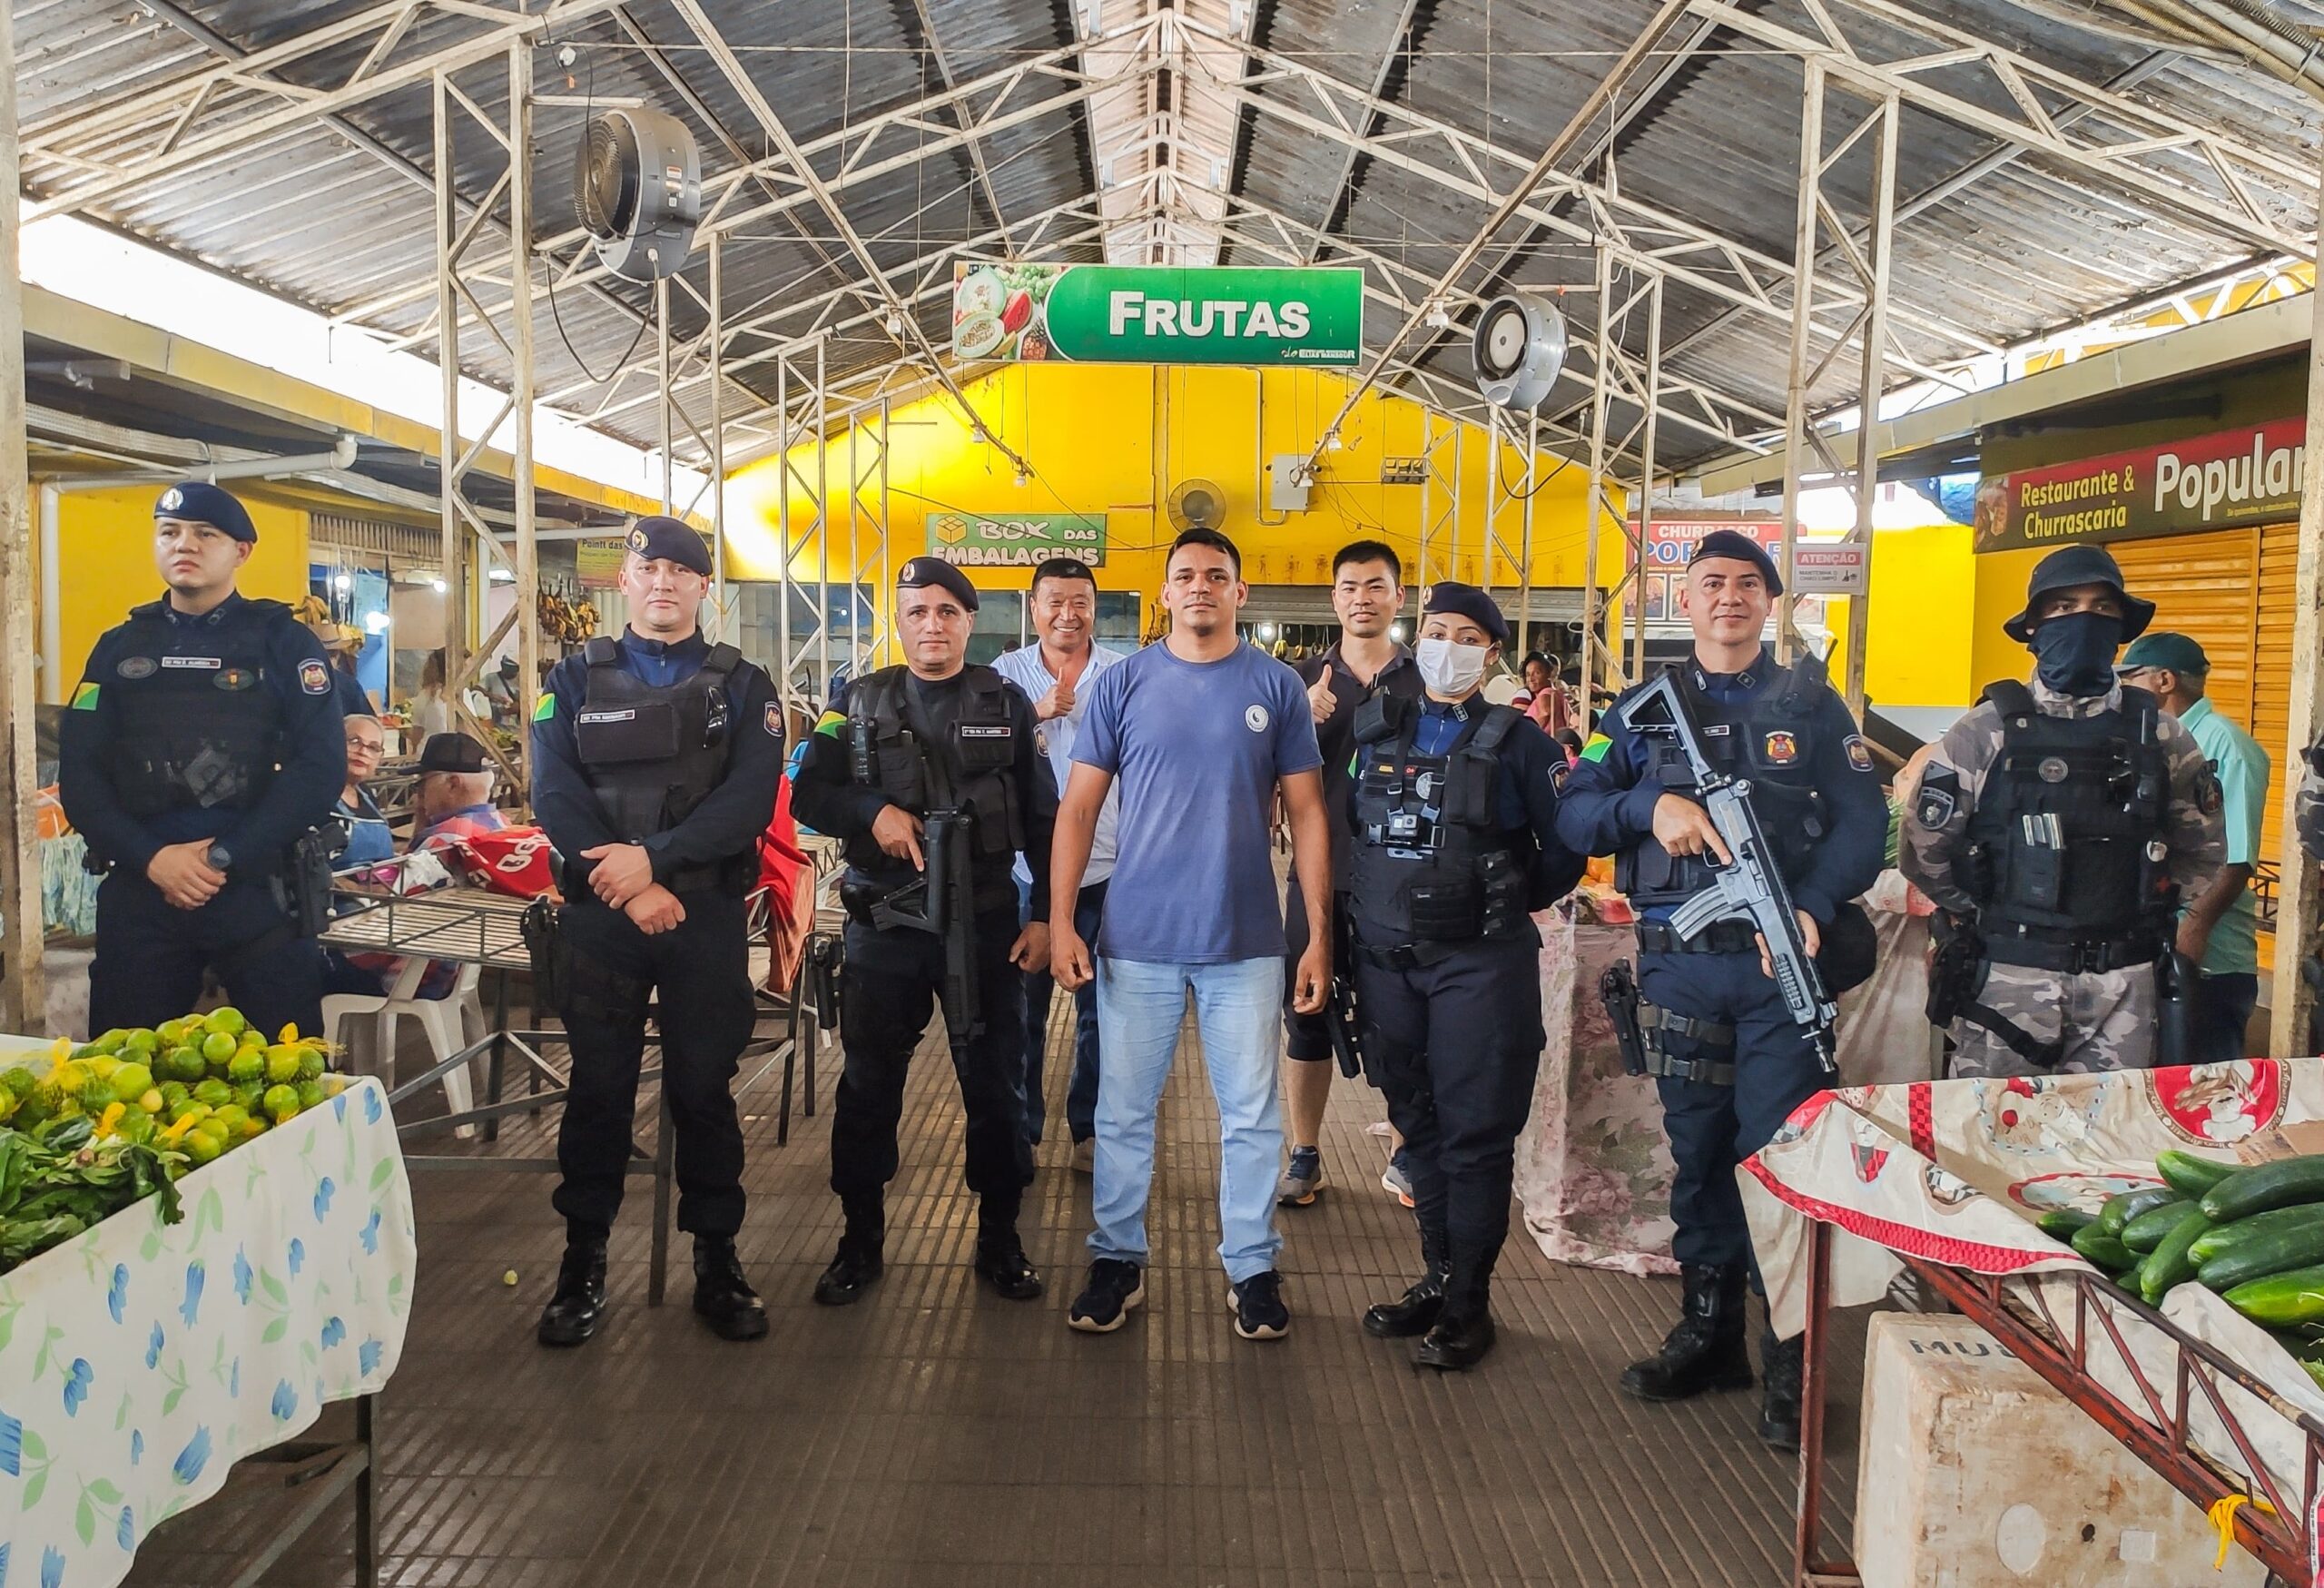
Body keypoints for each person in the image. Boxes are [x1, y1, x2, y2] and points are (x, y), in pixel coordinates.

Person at [1556, 529, 1886, 1452]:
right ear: (1686, 602)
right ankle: (1709, 1335)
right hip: (1680, 966)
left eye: (1747, 583)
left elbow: (1865, 820)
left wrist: (1815, 901)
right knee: (1697, 1153)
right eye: (1711, 583)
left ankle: (1793, 1358)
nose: (1729, 597)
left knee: (1779, 1160)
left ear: (1769, 602)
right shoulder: (1637, 711)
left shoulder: (1813, 707)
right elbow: (1574, 807)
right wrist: (1645, 808)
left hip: (1782, 968)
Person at [1050, 527, 1332, 1342]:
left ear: (1240, 593)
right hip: (1136, 938)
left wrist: (1316, 934)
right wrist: (1063, 918)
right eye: (1185, 576)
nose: (1200, 586)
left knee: (1250, 1114)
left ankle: (1251, 1263)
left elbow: (1309, 814)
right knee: (1123, 1110)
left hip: (1245, 940)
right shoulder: (1124, 684)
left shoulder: (1275, 687)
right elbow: (1078, 809)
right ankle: (1116, 1257)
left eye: (1217, 575)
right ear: (1165, 593)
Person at [529, 516, 785, 1348]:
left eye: (683, 570)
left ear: (706, 587)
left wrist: (656, 862)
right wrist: (631, 885)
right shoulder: (570, 679)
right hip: (605, 917)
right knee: (598, 1089)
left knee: (702, 1089)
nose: (665, 582)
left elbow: (748, 802)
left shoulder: (745, 686)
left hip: (703, 916)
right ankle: (583, 1259)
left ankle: (717, 1256)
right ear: (626, 580)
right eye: (651, 567)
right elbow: (555, 796)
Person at [791, 557, 1058, 1308]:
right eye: (917, 612)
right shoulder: (857, 700)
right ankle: (859, 1238)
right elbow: (807, 789)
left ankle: (1001, 1238)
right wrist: (869, 811)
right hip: (887, 924)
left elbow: (1042, 817)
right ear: (899, 621)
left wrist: (1044, 916)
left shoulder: (1008, 704)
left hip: (986, 926)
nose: (932, 625)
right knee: (869, 1085)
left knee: (998, 1088)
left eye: (947, 611)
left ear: (971, 621)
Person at [1346, 583, 1587, 1369]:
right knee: (1418, 1121)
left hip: (1479, 967)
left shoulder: (1521, 743)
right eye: (1435, 630)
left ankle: (1469, 1303)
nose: (1446, 644)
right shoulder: (1377, 725)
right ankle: (1438, 1275)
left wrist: (1497, 903)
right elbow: (1354, 826)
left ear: (1491, 653)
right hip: (1388, 964)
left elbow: (1565, 850)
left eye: (1466, 635)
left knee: (1476, 1133)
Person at [1901, 546, 2223, 1079]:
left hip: (2124, 987)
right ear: (2034, 627)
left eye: (2102, 609)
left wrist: (2133, 906)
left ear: (2122, 626)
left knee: (2110, 1148)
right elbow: (1925, 851)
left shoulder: (2161, 734)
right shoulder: (1984, 732)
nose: (2083, 620)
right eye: (2063, 607)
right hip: (2009, 979)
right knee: (1993, 1141)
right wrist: (1995, 914)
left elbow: (2203, 850)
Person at [59, 481, 346, 1040]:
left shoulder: (285, 645)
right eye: (169, 533)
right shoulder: (117, 648)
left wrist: (221, 856)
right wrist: (152, 859)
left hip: (258, 893)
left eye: (204, 534)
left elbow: (319, 770)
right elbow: (80, 771)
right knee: (122, 1072)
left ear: (242, 551)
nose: (183, 544)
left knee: (287, 1075)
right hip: (144, 891)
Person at [1276, 539, 1421, 1209]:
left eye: (1376, 585)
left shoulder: (1428, 680)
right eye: (1349, 587)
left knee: (1402, 1019)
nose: (1362, 597)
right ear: (1333, 598)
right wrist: (1297, 722)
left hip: (1405, 881)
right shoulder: (1299, 681)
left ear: (1398, 595)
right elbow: (1257, 779)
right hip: (1318, 877)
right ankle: (1305, 1152)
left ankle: (1404, 1146)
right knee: (1306, 1012)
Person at [992, 557, 1125, 1173]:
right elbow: (981, 756)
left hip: (1109, 867)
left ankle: (1089, 1130)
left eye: (1080, 601)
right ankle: (1022, 1127)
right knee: (1023, 1005)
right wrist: (1033, 715)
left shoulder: (1125, 675)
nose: (1067, 613)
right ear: (1033, 605)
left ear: (1095, 607)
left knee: (1103, 1009)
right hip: (1028, 873)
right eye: (1054, 601)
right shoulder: (1004, 676)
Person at [2117, 633, 2269, 1065]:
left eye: (2132, 678)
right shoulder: (2159, 740)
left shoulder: (2226, 746)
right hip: (2157, 949)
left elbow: (2236, 858)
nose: (2123, 690)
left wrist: (2193, 930)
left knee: (2202, 1096)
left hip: (2207, 964)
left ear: (2164, 680)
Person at [320, 714, 399, 997]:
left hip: (375, 913)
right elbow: (305, 867)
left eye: (373, 747)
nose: (363, 751)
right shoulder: (317, 799)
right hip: (334, 928)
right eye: (354, 741)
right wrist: (359, 891)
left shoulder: (368, 800)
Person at [410, 732, 507, 849]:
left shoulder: (441, 840)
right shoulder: (504, 823)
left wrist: (420, 825)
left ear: (453, 785)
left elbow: (407, 866)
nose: (419, 794)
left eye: (422, 783)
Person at [413, 649, 455, 742]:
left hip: (427, 750)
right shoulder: (461, 694)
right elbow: (469, 730)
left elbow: (417, 732)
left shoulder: (423, 695)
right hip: (450, 750)